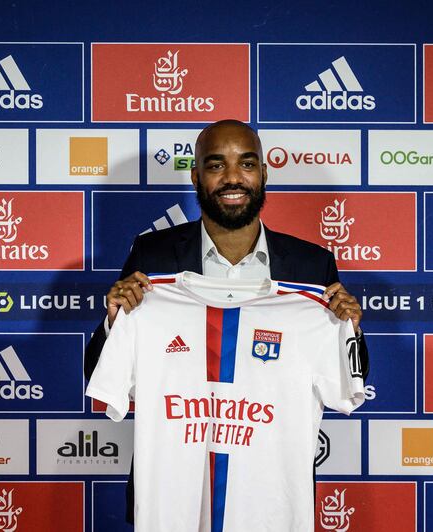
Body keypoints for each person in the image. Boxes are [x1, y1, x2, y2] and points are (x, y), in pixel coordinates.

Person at [84, 119, 368, 523]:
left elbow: (347, 375)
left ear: (264, 173)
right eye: (217, 166)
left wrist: (349, 330)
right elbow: (102, 373)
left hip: (268, 502)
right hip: (175, 501)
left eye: (246, 164)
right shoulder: (152, 256)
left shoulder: (311, 265)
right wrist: (113, 323)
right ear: (197, 176)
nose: (233, 178)